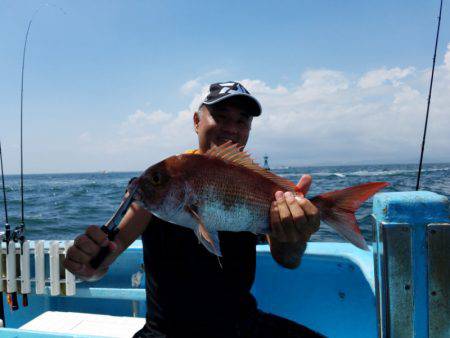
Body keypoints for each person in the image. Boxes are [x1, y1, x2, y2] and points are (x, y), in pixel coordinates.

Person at [64, 82, 325, 338]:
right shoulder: (165, 177)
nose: (232, 129)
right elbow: (112, 247)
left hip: (241, 324)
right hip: (169, 332)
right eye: (221, 117)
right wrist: (90, 266)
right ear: (197, 122)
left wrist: (297, 234)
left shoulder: (259, 184)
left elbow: (287, 260)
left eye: (242, 121)